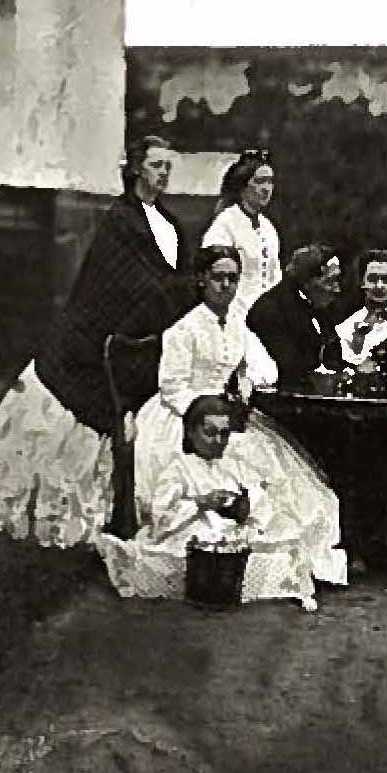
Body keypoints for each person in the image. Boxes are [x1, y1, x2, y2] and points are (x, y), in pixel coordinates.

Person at [0, 136, 191, 548]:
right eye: (156, 165)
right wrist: (163, 294)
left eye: (168, 166)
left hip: (141, 339)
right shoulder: (120, 220)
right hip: (95, 334)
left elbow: (171, 279)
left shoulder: (171, 225)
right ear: (135, 169)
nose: (163, 174)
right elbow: (115, 280)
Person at [132, 245, 347, 588]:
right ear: (202, 280)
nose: (226, 286)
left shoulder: (237, 324)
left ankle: (251, 553)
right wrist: (207, 412)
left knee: (284, 487)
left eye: (233, 279)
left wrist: (243, 385)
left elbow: (266, 370)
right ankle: (212, 555)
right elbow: (171, 388)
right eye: (218, 278)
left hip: (226, 412)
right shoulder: (184, 329)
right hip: (183, 414)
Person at [96, 395, 322, 609]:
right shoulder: (179, 467)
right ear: (191, 432)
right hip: (189, 535)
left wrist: (246, 505)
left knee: (285, 547)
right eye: (210, 433)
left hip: (231, 536)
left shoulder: (234, 465)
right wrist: (200, 503)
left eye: (224, 434)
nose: (218, 441)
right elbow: (161, 516)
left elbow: (260, 499)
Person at [246, 245, 345, 384]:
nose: (337, 289)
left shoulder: (317, 305)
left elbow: (333, 356)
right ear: (307, 282)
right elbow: (289, 368)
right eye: (330, 281)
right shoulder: (268, 312)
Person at [202, 149, 281, 313]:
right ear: (243, 186)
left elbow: (275, 278)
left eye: (270, 181)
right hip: (236, 313)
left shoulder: (268, 228)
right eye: (260, 181)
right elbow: (213, 278)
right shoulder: (225, 224)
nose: (266, 188)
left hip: (269, 315)